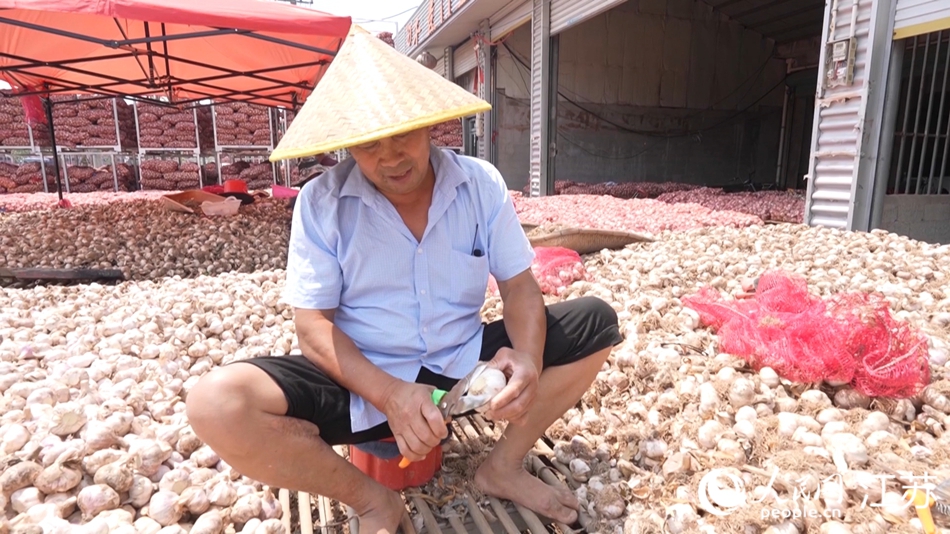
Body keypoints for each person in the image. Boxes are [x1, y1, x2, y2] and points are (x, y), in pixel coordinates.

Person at [185, 25, 623, 534]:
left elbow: (520, 285)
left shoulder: (480, 185)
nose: (390, 157)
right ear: (346, 143)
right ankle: (374, 502)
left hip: (463, 369)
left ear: (430, 124)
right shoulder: (322, 203)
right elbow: (312, 326)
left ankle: (501, 467)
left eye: (403, 135)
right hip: (364, 382)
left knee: (595, 321)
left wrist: (525, 357)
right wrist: (390, 394)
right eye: (369, 144)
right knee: (217, 402)